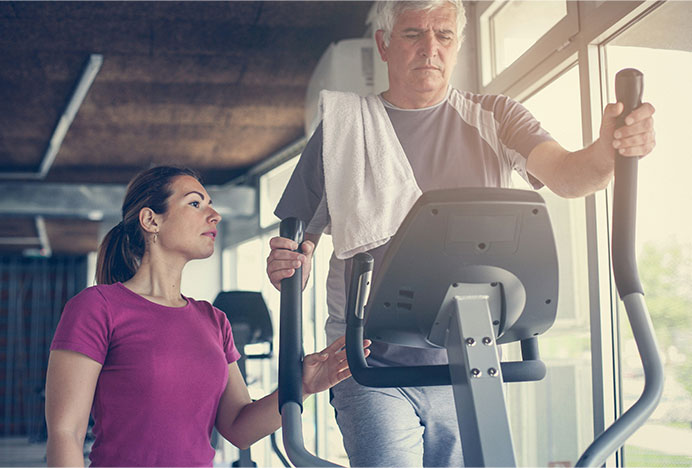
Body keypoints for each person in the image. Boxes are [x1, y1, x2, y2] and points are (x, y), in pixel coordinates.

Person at [266, 0, 656, 466]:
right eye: (413, 34)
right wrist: (291, 265)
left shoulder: (496, 116)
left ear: (457, 45)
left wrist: (610, 150)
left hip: (473, 357)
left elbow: (571, 175)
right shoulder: (345, 129)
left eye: (444, 35)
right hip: (368, 363)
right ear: (384, 44)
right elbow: (296, 246)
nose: (430, 47)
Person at [45, 166, 370, 467]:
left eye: (211, 205)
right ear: (151, 220)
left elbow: (239, 427)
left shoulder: (213, 320)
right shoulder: (97, 307)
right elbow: (65, 433)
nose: (214, 215)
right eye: (196, 204)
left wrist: (302, 386)